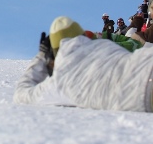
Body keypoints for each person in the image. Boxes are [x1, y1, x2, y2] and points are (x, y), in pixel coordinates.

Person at [13, 15, 153, 111]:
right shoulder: (103, 45)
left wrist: (42, 55)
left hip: (144, 94)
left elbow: (21, 94)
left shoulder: (60, 81)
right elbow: (134, 44)